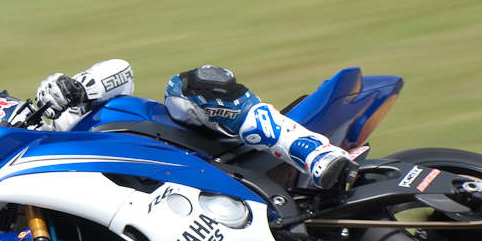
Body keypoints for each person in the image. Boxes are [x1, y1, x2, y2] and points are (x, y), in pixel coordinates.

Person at [36, 59, 354, 189]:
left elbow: (121, 71)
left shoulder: (62, 115)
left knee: (189, 87)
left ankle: (313, 153)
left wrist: (76, 88)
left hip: (181, 150)